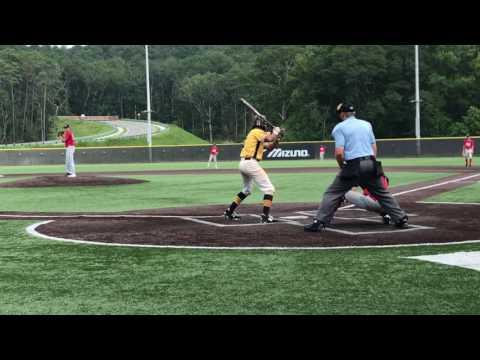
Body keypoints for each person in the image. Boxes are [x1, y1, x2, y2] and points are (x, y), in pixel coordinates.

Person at [304, 103, 408, 232]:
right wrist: (371, 162)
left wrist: (342, 166)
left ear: (342, 114)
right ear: (353, 113)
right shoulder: (366, 124)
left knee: (333, 193)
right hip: (370, 162)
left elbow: (339, 153)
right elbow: (374, 146)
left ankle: (319, 222)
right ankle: (401, 218)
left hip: (353, 164)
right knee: (382, 193)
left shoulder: (339, 128)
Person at [224, 115, 282, 224]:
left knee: (246, 190)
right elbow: (269, 138)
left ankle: (229, 211)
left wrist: (276, 140)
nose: (265, 125)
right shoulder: (256, 131)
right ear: (261, 123)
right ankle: (265, 216)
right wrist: (275, 132)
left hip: (244, 163)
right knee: (269, 189)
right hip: (251, 163)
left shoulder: (255, 133)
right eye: (264, 123)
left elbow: (268, 145)